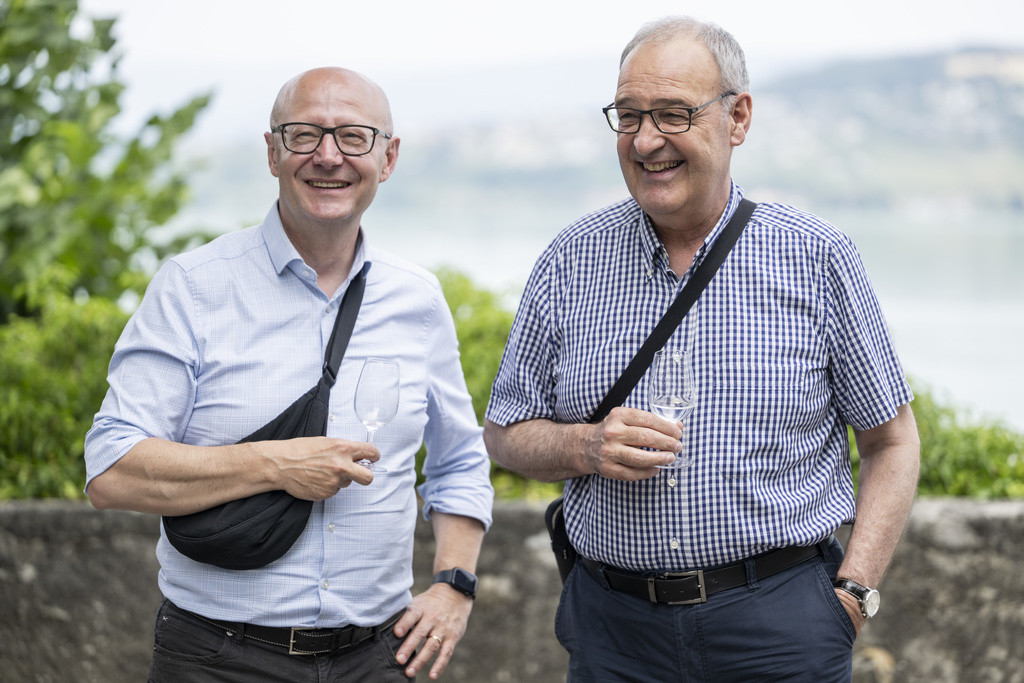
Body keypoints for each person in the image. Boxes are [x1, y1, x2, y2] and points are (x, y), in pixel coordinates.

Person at [484, 16, 920, 682]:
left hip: (778, 626)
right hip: (615, 631)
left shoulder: (817, 259)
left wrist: (852, 593)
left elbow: (892, 441)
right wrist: (584, 447)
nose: (646, 140)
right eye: (628, 117)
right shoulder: (569, 261)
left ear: (737, 118)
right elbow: (504, 432)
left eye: (673, 114)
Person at [85, 67, 493, 682]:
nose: (328, 156)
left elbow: (460, 462)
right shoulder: (193, 287)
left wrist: (454, 586)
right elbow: (110, 471)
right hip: (217, 658)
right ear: (273, 152)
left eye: (354, 136)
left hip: (380, 658)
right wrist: (277, 465)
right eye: (305, 135)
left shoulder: (418, 299)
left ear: (388, 157)